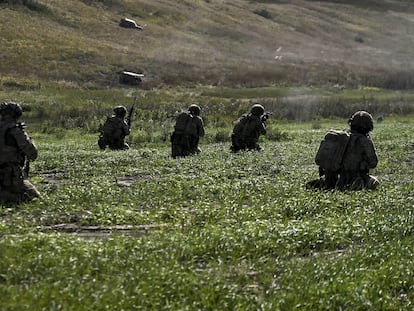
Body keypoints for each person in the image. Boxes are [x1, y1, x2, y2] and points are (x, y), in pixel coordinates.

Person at [307, 110, 379, 191]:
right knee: (375, 183)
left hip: (331, 179)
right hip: (352, 181)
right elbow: (373, 163)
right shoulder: (366, 141)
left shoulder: (341, 137)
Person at [0, 102, 40, 204]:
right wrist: (30, 139)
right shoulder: (15, 131)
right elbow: (32, 154)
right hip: (9, 176)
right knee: (34, 197)